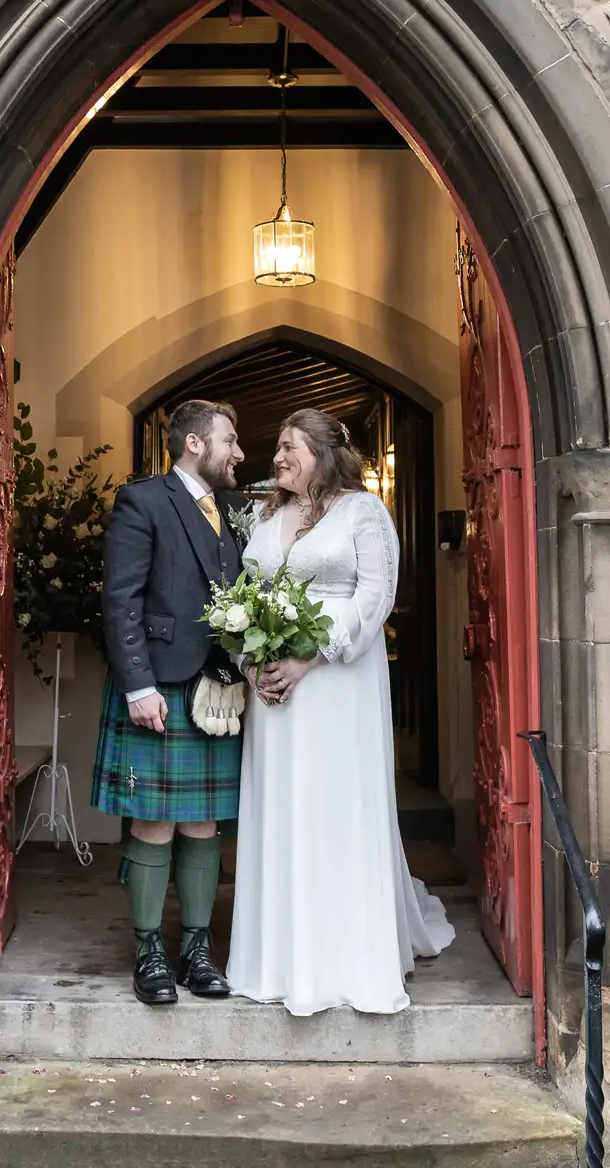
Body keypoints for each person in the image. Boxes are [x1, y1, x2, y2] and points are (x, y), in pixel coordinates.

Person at [228, 408, 456, 1015]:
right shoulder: (267, 516)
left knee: (334, 805)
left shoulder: (364, 512)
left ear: (323, 454)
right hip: (274, 698)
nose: (277, 458)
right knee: (283, 809)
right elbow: (245, 599)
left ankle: (347, 958)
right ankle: (276, 959)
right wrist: (254, 664)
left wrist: (311, 657)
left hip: (339, 685)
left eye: (288, 447)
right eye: (277, 447)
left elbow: (377, 597)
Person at [92, 399, 247, 1006]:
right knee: (154, 820)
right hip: (160, 682)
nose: (239, 453)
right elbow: (121, 597)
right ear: (195, 445)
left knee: (204, 821)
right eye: (229, 441)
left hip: (218, 684)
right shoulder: (144, 501)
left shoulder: (233, 510)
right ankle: (150, 948)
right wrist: (137, 684)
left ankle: (198, 949)